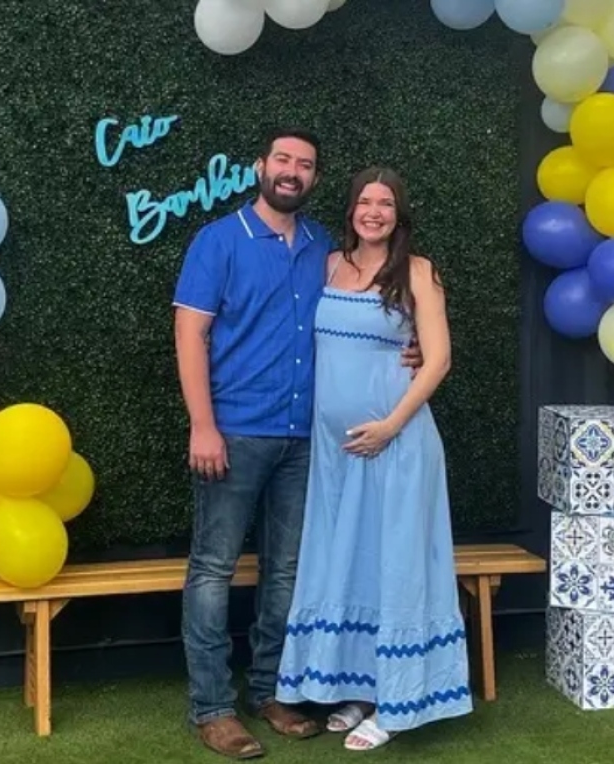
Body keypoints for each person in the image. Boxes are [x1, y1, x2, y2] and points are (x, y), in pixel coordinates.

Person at [172, 130, 422, 759]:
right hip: (234, 430)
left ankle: (269, 691)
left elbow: (369, 314)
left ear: (313, 179)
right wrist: (203, 424)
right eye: (282, 160)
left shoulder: (323, 250)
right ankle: (212, 708)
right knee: (213, 569)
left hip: (307, 438)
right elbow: (190, 335)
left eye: (304, 165)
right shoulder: (218, 241)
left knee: (286, 570)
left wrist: (411, 346)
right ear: (261, 167)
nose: (292, 171)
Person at [275, 166, 470, 751]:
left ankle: (397, 702)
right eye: (365, 201)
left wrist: (389, 426)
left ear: (398, 214)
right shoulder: (328, 265)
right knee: (350, 562)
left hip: (397, 445)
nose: (374, 212)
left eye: (385, 203)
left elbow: (437, 360)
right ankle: (360, 687)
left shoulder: (418, 272)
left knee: (396, 564)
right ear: (351, 210)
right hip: (336, 455)